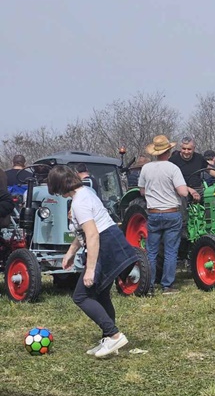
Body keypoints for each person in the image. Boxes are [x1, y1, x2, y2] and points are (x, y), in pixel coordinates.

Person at [48, 165, 137, 358]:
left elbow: (93, 235)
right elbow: (84, 232)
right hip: (111, 240)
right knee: (101, 292)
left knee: (81, 296)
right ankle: (109, 338)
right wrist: (70, 253)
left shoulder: (80, 202)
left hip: (105, 244)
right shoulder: (85, 192)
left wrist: (90, 269)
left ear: (61, 185)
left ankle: (114, 335)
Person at [139, 135, 200, 294]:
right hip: (172, 214)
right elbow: (181, 191)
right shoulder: (173, 168)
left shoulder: (146, 168)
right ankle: (167, 286)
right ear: (169, 150)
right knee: (171, 251)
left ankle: (150, 286)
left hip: (153, 213)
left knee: (151, 252)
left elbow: (142, 191)